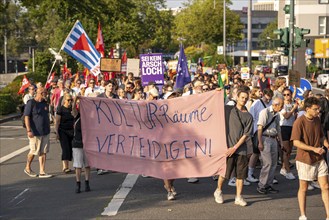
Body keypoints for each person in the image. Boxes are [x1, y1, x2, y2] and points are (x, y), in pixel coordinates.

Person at [214, 87, 253, 206]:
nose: (244, 100)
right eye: (242, 97)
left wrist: (235, 147)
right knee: (224, 174)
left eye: (246, 98)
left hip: (241, 149)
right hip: (227, 148)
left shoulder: (249, 116)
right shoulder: (228, 110)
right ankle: (218, 191)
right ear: (237, 97)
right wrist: (217, 92)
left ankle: (238, 197)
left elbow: (246, 135)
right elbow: (215, 106)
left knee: (240, 175)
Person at [291, 97, 329, 220]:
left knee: (325, 186)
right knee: (304, 188)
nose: (318, 111)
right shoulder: (299, 122)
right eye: (316, 109)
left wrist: (327, 145)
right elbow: (296, 142)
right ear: (307, 109)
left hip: (319, 158)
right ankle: (303, 215)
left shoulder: (317, 120)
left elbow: (322, 137)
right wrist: (313, 149)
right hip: (304, 159)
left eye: (319, 109)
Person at [23, 87, 52, 178]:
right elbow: (26, 117)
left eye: (46, 92)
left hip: (45, 131)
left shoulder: (45, 103)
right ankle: (27, 168)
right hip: (35, 132)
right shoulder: (31, 103)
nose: (46, 94)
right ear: (39, 93)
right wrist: (28, 130)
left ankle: (42, 171)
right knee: (34, 151)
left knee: (43, 151)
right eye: (44, 92)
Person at [257, 97, 284, 194]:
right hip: (265, 138)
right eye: (281, 105)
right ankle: (261, 185)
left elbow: (278, 129)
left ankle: (269, 184)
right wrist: (260, 142)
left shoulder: (277, 115)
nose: (282, 107)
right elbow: (260, 127)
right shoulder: (265, 112)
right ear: (275, 105)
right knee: (267, 163)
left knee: (273, 164)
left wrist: (281, 142)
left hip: (273, 139)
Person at [247, 88, 274, 183]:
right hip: (257, 131)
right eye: (267, 98)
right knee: (256, 153)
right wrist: (253, 130)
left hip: (268, 132)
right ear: (263, 95)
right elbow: (251, 117)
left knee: (267, 154)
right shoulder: (257, 103)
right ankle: (249, 173)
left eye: (270, 98)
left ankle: (268, 175)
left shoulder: (271, 103)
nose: (268, 100)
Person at [72, 96, 91, 193]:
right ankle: (78, 183)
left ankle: (87, 182)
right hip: (77, 143)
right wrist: (76, 99)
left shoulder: (89, 117)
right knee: (78, 165)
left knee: (87, 165)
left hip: (87, 144)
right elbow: (73, 109)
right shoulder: (77, 116)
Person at [279, 88, 298, 180]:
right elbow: (286, 116)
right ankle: (288, 171)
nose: (286, 96)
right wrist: (293, 109)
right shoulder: (282, 105)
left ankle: (283, 168)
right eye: (284, 95)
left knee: (289, 150)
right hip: (283, 128)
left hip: (292, 127)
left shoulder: (292, 104)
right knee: (286, 151)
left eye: (288, 94)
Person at [55, 93, 74, 173]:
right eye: (68, 100)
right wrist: (57, 133)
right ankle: (65, 167)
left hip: (72, 131)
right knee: (65, 148)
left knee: (72, 148)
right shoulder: (61, 109)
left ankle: (76, 165)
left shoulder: (73, 109)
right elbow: (57, 122)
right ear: (64, 100)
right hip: (63, 131)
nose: (70, 101)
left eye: (71, 100)